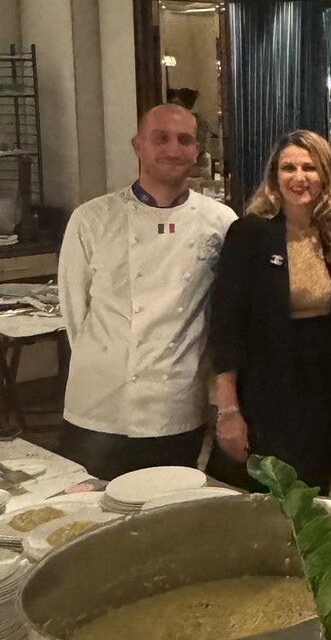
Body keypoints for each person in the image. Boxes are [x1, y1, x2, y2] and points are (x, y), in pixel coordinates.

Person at [57, 104, 237, 481]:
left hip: (175, 403)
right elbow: (74, 311)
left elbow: (224, 314)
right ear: (137, 145)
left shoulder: (221, 222)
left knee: (169, 508)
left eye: (185, 140)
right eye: (161, 138)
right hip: (99, 404)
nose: (173, 149)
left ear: (196, 151)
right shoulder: (92, 219)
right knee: (92, 509)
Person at [208, 130, 331, 492]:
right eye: (289, 168)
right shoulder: (250, 233)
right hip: (265, 393)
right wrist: (228, 410)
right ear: (274, 177)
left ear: (325, 175)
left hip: (321, 392)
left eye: (309, 167)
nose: (300, 177)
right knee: (264, 497)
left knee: (312, 496)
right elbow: (225, 325)